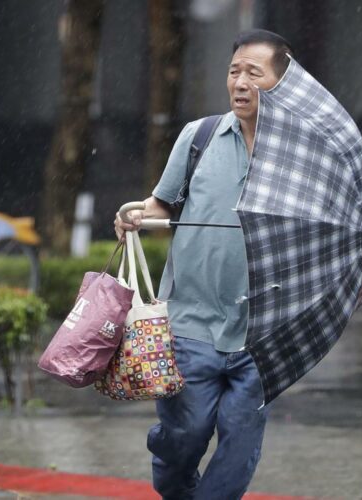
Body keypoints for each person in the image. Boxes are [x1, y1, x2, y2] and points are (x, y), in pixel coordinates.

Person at [114, 29, 293, 499]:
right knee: (186, 436)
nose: (240, 82)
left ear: (282, 81)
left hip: (260, 329)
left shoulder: (296, 157)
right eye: (235, 71)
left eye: (254, 73)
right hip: (191, 321)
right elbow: (160, 205)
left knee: (239, 441)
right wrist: (134, 213)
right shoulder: (200, 136)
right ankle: (167, 444)